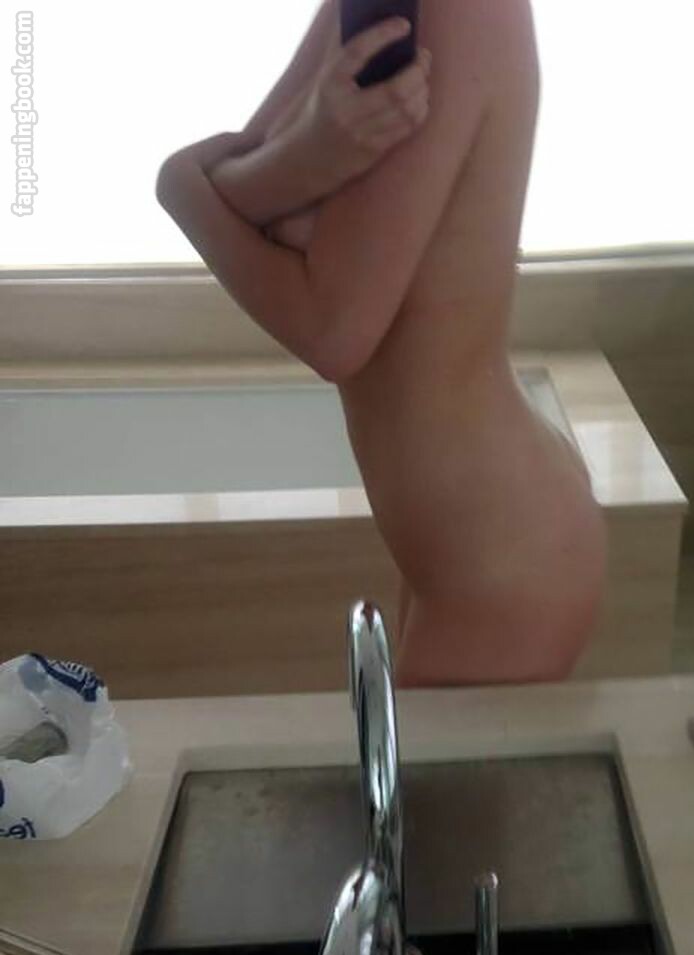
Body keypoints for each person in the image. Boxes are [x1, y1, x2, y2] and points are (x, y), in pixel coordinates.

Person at [155, 0, 605, 688]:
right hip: (454, 545)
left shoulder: (461, 14)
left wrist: (183, 188)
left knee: (410, 764)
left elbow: (333, 331)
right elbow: (246, 174)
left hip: (503, 558)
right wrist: (302, 156)